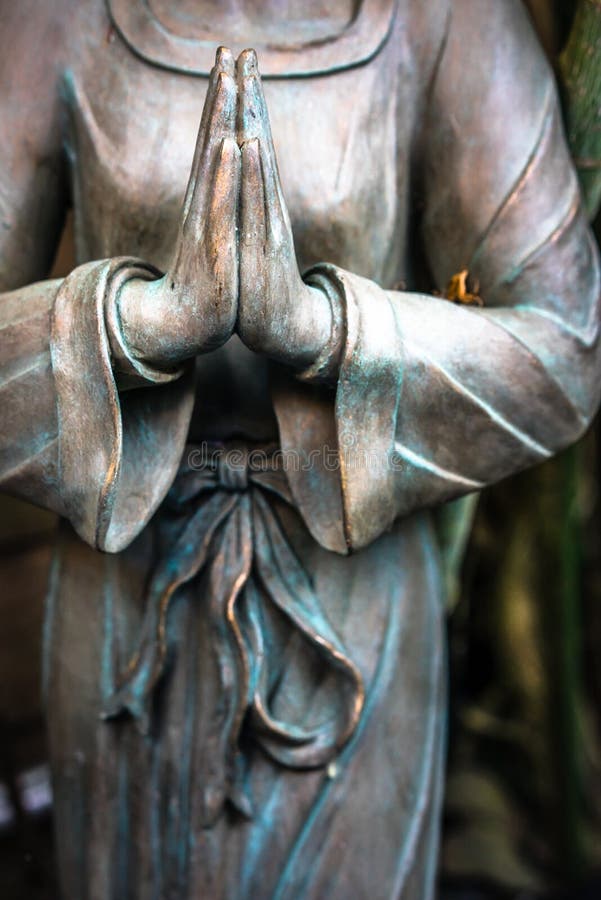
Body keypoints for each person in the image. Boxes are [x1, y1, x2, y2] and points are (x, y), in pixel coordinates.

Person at [1, 1, 599, 897]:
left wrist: (322, 331)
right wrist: (138, 325)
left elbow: (562, 352)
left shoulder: (447, 21)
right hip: (124, 602)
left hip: (347, 610)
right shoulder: (56, 18)